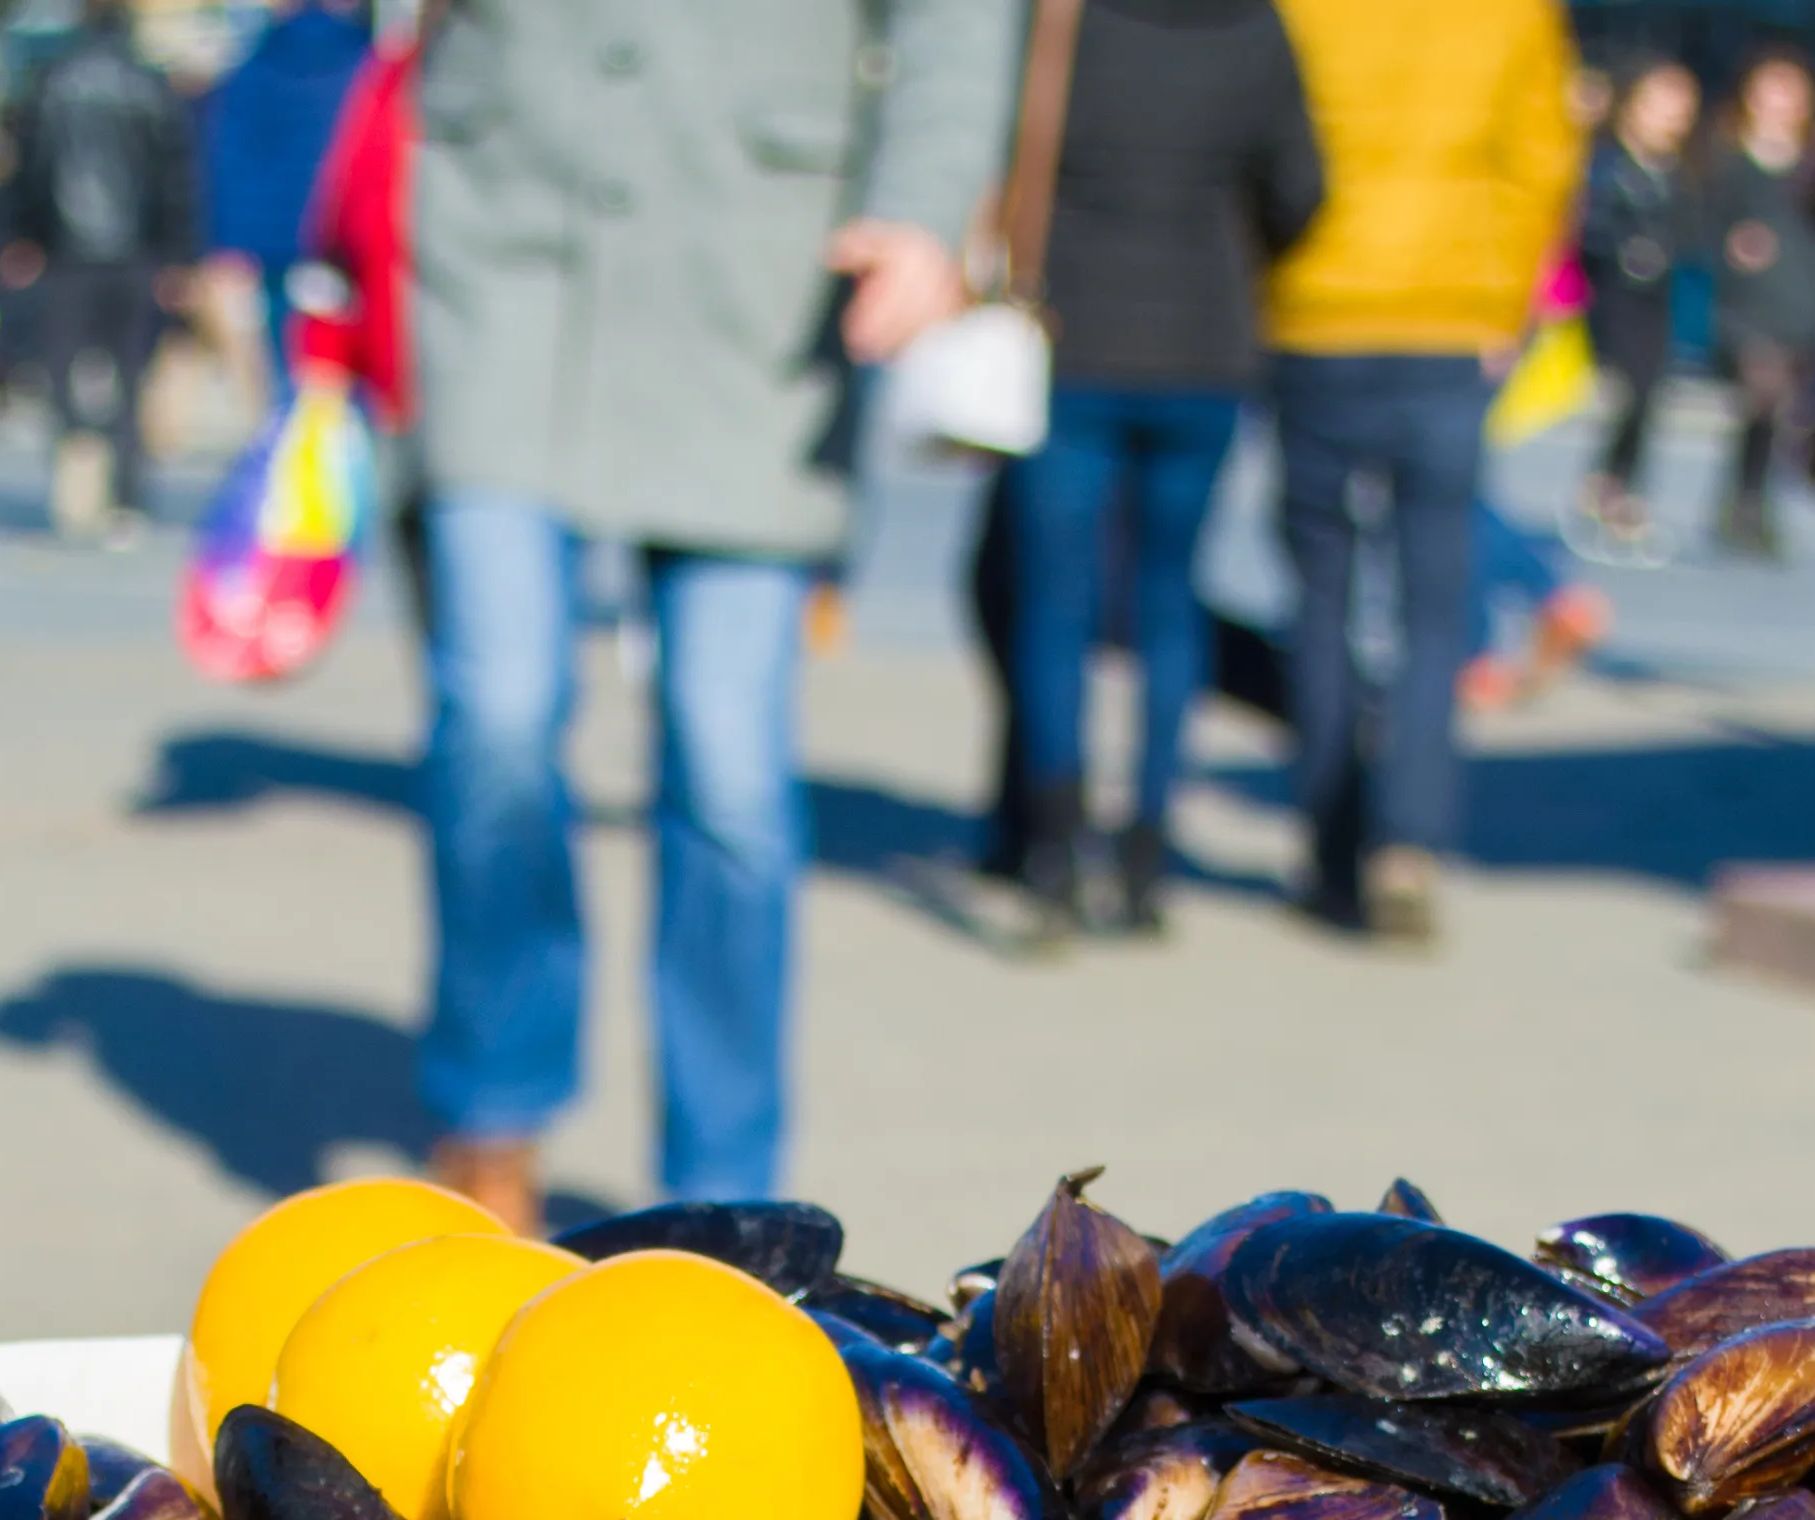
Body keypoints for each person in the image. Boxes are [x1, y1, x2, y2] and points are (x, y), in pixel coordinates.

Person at [398, 0, 1018, 1227]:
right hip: (502, 237)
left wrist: (925, 204)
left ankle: (720, 1189)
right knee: (497, 712)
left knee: (728, 762)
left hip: (759, 269)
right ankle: (496, 1097)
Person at [997, 0, 1321, 938]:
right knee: (1170, 599)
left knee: (1055, 601)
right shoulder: (1257, 28)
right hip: (1204, 345)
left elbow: (1009, 148)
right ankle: (1144, 848)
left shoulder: (1066, 18)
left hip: (1073, 336)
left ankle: (1052, 843)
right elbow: (1301, 187)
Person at [1259, 0, 1576, 944]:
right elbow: (1544, 156)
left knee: (1321, 593)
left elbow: (1266, 135)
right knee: (1436, 601)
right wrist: (1504, 294)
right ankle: (1411, 841)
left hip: (1314, 311)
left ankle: (1329, 838)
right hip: (1450, 318)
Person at [5, 0, 192, 547]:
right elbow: (175, 177)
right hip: (135, 255)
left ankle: (75, 487)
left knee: (64, 376)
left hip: (66, 253)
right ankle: (127, 499)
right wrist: (177, 253)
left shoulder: (49, 80)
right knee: (130, 379)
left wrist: (24, 236)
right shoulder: (151, 86)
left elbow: (30, 167)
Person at [1692, 49, 1815, 561]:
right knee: (1762, 398)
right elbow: (1702, 221)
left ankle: (1754, 502)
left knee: (1781, 414)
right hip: (1749, 303)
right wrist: (1731, 243)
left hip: (1803, 296)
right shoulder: (1729, 157)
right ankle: (1744, 503)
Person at [193, 0, 367, 375]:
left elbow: (230, 161)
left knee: (289, 363)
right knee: (347, 365)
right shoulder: (365, 65)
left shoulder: (256, 68)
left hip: (276, 246)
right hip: (346, 243)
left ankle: (294, 423)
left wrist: (228, 242)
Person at [1564, 58, 1691, 553]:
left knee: (1650, 396)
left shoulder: (1678, 171)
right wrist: (1623, 248)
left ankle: (1615, 488)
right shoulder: (1607, 164)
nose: (1672, 118)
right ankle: (1608, 489)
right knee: (1627, 392)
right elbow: (1587, 227)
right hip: (1612, 294)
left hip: (1654, 299)